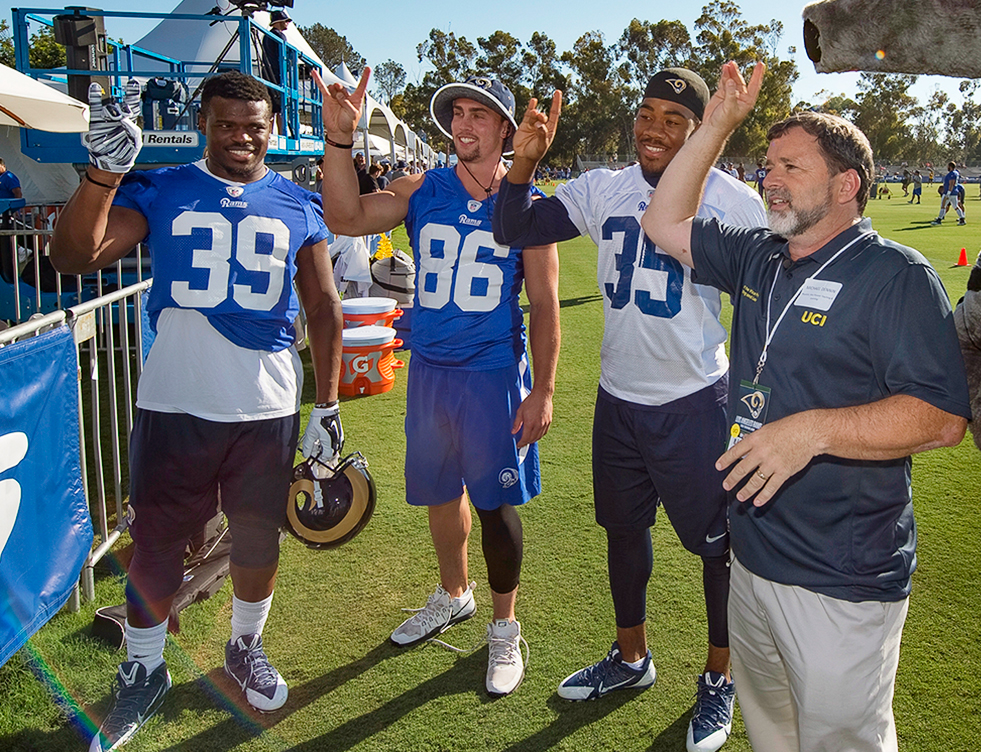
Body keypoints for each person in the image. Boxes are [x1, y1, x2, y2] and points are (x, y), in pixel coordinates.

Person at [642, 62, 971, 752]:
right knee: (775, 736)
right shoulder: (761, 256)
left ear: (846, 185)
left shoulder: (895, 277)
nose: (769, 179)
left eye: (791, 166)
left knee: (839, 743)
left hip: (840, 579)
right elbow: (663, 220)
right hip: (754, 557)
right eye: (766, 165)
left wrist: (814, 432)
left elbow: (941, 418)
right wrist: (714, 127)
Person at [51, 70, 344, 751]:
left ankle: (244, 648)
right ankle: (145, 666)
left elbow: (326, 307)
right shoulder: (165, 186)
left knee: (257, 539)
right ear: (203, 124)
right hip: (176, 397)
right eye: (226, 124)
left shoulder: (298, 203)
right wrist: (101, 175)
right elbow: (73, 257)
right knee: (153, 541)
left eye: (254, 125)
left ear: (271, 126)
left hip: (265, 405)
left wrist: (326, 405)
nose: (242, 136)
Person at [492, 67, 764, 751]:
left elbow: (766, 309)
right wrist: (523, 162)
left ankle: (720, 676)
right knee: (622, 530)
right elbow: (513, 225)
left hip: (695, 398)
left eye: (675, 119)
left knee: (718, 549)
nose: (654, 129)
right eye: (647, 114)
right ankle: (632, 657)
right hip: (618, 397)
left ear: (702, 128)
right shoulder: (603, 187)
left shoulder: (733, 202)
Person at [316, 69, 560, 697]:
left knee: (495, 501)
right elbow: (344, 217)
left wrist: (545, 389)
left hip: (491, 373)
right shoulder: (425, 187)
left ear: (506, 129)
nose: (465, 125)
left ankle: (504, 631)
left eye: (480, 115)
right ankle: (454, 593)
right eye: (457, 114)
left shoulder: (526, 200)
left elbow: (546, 300)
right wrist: (338, 142)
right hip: (429, 369)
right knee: (438, 491)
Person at [933, 161, 965, 225]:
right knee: (955, 206)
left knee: (943, 206)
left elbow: (951, 183)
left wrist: (948, 192)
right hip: (954, 192)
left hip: (949, 192)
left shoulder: (951, 174)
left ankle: (939, 220)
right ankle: (962, 219)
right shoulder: (956, 173)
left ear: (950, 167)